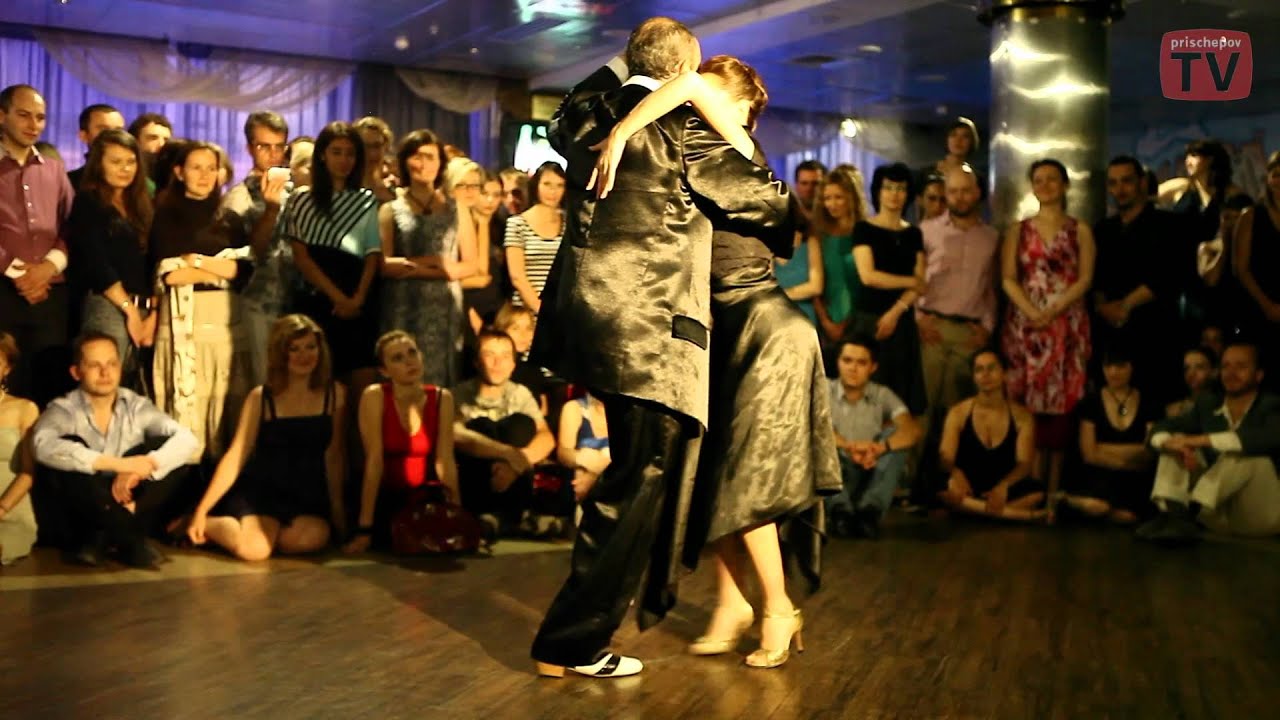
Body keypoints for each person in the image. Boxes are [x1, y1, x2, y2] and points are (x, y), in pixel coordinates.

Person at [527, 17, 793, 679]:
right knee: (637, 480)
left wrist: (627, 69)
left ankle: (574, 640)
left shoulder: (589, 113)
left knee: (634, 475)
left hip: (583, 323)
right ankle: (572, 645)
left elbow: (563, 115)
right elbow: (773, 205)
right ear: (685, 75)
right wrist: (710, 105)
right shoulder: (688, 128)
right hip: (649, 332)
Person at [593, 54, 840, 669]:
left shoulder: (732, 145)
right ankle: (732, 604)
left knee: (744, 481)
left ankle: (779, 608)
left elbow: (690, 81)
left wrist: (622, 129)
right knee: (712, 476)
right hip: (724, 329)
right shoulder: (701, 151)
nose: (741, 123)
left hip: (765, 327)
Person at [32, 332, 199, 567]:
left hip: (129, 500)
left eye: (111, 363)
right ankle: (128, 538)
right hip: (81, 512)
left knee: (164, 454)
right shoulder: (64, 409)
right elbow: (42, 445)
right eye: (94, 365)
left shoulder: (136, 405)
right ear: (76, 372)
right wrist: (119, 465)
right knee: (68, 451)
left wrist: (140, 468)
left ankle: (105, 534)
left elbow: (188, 439)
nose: (105, 372)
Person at [185, 315, 345, 560]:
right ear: (281, 354)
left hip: (307, 493)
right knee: (254, 551)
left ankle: (267, 534)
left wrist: (338, 513)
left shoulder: (335, 394)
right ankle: (203, 522)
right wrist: (202, 507)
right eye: (295, 349)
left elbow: (334, 456)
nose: (305, 356)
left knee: (307, 541)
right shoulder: (261, 398)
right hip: (262, 491)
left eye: (311, 347)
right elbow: (236, 455)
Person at [150, 141, 252, 462]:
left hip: (224, 323)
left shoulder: (230, 219)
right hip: (184, 321)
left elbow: (243, 270)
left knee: (224, 407)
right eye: (196, 167)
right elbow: (169, 275)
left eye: (212, 167)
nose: (205, 175)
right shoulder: (164, 215)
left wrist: (195, 262)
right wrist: (218, 267)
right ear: (179, 172)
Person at [1000, 158, 1094, 504]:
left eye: (1053, 179)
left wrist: (1053, 309)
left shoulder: (1079, 229)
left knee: (1061, 407)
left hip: (1066, 323)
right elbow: (1008, 277)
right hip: (1025, 325)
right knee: (1026, 407)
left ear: (1066, 185)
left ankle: (1056, 489)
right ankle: (1030, 485)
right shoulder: (1018, 230)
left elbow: (1085, 278)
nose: (1045, 185)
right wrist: (1032, 311)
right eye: (1038, 179)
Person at [1138, 341, 1280, 542]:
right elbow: (1161, 427)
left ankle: (1190, 509)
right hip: (1215, 515)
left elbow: (1268, 438)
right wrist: (1171, 443)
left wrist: (1202, 440)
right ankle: (1175, 515)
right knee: (1177, 441)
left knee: (1246, 455)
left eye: (1241, 366)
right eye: (1226, 366)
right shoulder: (1208, 404)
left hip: (1260, 515)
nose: (1231, 373)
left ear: (1258, 374)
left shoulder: (1272, 405)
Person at [915, 164, 999, 487]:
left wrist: (988, 328)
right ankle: (910, 486)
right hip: (931, 328)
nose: (960, 197)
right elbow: (914, 279)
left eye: (966, 190)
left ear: (977, 193)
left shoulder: (992, 237)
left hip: (969, 333)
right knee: (924, 409)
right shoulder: (926, 231)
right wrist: (918, 318)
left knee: (957, 413)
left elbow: (992, 286)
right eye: (953, 191)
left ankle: (946, 486)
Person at [283, 121, 382, 390]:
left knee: (362, 385)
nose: (344, 160)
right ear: (323, 155)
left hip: (358, 297)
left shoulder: (365, 200)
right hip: (318, 298)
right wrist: (337, 298)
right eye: (336, 151)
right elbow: (301, 256)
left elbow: (373, 253)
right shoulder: (301, 199)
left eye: (350, 153)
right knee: (321, 385)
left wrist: (358, 298)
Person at [345, 331, 459, 552]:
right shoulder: (375, 396)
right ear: (384, 371)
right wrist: (364, 529)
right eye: (397, 358)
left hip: (424, 497)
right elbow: (374, 461)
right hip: (385, 495)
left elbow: (445, 460)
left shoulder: (441, 398)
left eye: (412, 353)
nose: (409, 361)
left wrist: (456, 516)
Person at [378, 130, 477, 387]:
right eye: (417, 157)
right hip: (402, 304)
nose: (424, 164)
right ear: (405, 161)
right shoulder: (391, 207)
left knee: (441, 381)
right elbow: (385, 265)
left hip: (443, 308)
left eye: (431, 157)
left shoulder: (457, 208)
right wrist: (436, 263)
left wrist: (416, 266)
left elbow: (470, 265)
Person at [0, 84, 75, 408]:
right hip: (3, 289)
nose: (33, 124)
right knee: (7, 381)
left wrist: (47, 269)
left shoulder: (55, 169)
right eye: (24, 115)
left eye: (41, 118)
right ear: (2, 116)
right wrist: (20, 274)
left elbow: (74, 225)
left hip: (52, 294)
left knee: (50, 384)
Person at [1092, 156, 1184, 404]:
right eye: (1113, 183)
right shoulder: (1102, 230)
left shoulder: (1169, 225)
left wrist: (1125, 306)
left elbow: (1168, 276)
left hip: (1154, 331)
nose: (1119, 190)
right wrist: (1102, 307)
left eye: (1126, 182)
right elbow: (1094, 277)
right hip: (1110, 334)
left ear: (1142, 183)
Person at [67, 129, 157, 378]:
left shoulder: (143, 203)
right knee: (104, 379)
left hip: (147, 306)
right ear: (99, 165)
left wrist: (153, 311)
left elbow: (154, 260)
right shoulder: (88, 202)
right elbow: (97, 264)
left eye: (131, 162)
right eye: (115, 162)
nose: (125, 169)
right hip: (108, 304)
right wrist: (129, 311)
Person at [453, 329, 557, 531]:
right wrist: (507, 453)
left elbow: (546, 438)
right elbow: (455, 435)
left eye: (505, 356)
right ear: (476, 362)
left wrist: (516, 464)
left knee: (522, 424)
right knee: (479, 427)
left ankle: (509, 515)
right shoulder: (459, 394)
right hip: (476, 484)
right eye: (489, 355)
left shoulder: (520, 394)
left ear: (513, 365)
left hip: (515, 481)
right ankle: (497, 515)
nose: (497, 363)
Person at [221, 111, 295, 388]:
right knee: (266, 383)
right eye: (264, 146)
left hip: (296, 298)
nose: (273, 155)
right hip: (259, 301)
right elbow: (250, 252)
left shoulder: (298, 191)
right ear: (250, 148)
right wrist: (271, 209)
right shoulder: (239, 196)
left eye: (279, 147)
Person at [851, 162, 928, 416]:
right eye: (888, 188)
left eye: (901, 189)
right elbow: (868, 276)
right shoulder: (864, 229)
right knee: (866, 391)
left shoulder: (914, 233)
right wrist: (910, 282)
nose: (894, 194)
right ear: (878, 191)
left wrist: (896, 311)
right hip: (869, 319)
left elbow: (921, 282)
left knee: (901, 395)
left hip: (901, 320)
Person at [823, 337, 919, 539]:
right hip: (836, 474)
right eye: (847, 360)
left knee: (895, 436)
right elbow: (812, 428)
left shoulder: (882, 394)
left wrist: (880, 448)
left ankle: (870, 513)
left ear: (873, 367)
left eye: (861, 362)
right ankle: (840, 513)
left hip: (870, 469)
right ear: (838, 362)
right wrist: (849, 446)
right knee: (817, 439)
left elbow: (912, 430)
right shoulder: (824, 389)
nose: (853, 368)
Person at [937, 349, 1046, 521]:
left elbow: (1024, 463)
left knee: (1037, 493)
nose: (985, 375)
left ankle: (974, 512)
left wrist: (1003, 486)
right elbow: (946, 457)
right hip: (968, 485)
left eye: (991, 368)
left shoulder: (1022, 416)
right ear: (973, 377)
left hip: (1000, 483)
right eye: (979, 370)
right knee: (942, 488)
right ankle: (1022, 516)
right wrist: (957, 475)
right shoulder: (958, 412)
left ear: (1004, 374)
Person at [1061, 346, 1157, 523]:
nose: (1113, 372)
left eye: (1120, 366)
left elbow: (1148, 451)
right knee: (1100, 506)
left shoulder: (1148, 402)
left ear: (1132, 367)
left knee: (1134, 514)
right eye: (1108, 366)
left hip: (1135, 478)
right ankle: (1074, 502)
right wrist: (1126, 460)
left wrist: (1103, 448)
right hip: (1099, 477)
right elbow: (1089, 454)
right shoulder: (1091, 402)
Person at [811, 167, 868, 373]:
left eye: (838, 197)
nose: (831, 204)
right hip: (826, 321)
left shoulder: (865, 233)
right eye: (827, 198)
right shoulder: (819, 236)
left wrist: (849, 321)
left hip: (861, 320)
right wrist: (826, 322)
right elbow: (816, 282)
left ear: (851, 198)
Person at [1233, 151, 1280, 379]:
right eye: (1276, 175)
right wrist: (1267, 305)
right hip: (1258, 307)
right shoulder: (1251, 216)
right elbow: (1240, 269)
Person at [505, 161, 566, 312]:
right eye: (547, 184)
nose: (553, 191)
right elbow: (517, 276)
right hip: (525, 313)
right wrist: (540, 309)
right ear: (536, 185)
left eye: (560, 185)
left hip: (560, 310)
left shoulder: (568, 224)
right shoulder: (517, 224)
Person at [0, 333, 39, 565]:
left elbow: (29, 472)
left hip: (9, 512)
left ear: (7, 369)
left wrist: (1, 509)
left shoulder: (23, 408)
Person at [557, 391, 609, 502]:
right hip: (577, 494)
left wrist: (595, 478)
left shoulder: (635, 415)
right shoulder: (574, 408)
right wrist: (584, 458)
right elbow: (563, 454)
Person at [67, 104, 125, 189]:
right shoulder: (69, 183)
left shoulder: (135, 181)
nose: (114, 136)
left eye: (118, 130)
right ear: (84, 136)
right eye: (104, 130)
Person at [1167, 345, 1218, 418]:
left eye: (1199, 367)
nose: (1191, 374)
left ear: (1214, 372)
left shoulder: (1223, 405)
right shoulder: (1176, 409)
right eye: (1187, 368)